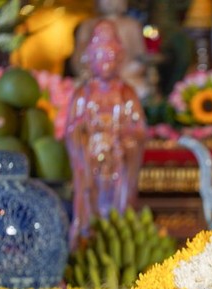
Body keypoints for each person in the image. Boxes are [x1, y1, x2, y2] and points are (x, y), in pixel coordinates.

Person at [65, 20, 147, 248]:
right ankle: (86, 235)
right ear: (90, 59)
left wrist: (123, 138)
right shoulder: (83, 94)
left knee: (119, 199)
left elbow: (139, 129)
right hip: (91, 160)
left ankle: (120, 237)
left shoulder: (127, 93)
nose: (106, 63)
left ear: (119, 59)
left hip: (119, 160)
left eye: (111, 57)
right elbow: (72, 129)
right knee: (88, 195)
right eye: (100, 57)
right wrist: (87, 136)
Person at [71, 0, 148, 100]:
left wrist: (125, 72)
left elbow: (141, 59)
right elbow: (78, 58)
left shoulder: (132, 25)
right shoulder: (87, 25)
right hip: (93, 78)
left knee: (141, 88)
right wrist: (85, 71)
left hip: (125, 77)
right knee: (75, 87)